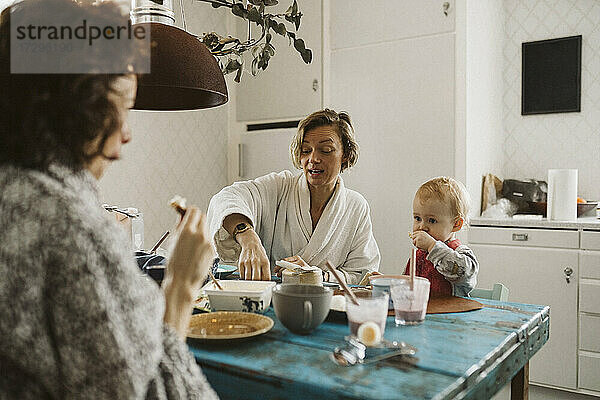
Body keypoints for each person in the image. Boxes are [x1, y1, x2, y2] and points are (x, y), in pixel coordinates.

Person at [0, 0, 218, 398]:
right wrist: (181, 286)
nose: (127, 136)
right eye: (123, 111)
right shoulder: (74, 229)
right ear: (82, 112)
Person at [207, 109, 380, 285]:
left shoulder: (356, 206)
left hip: (329, 305)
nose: (313, 158)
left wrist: (316, 275)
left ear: (345, 155)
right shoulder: (280, 187)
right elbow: (225, 198)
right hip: (272, 300)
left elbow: (363, 274)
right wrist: (247, 236)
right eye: (306, 150)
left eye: (326, 150)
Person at [405, 176, 479, 297]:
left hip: (451, 315)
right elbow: (407, 287)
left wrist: (432, 246)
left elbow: (463, 273)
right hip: (420, 313)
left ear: (456, 224)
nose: (422, 227)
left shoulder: (460, 253)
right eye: (417, 218)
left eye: (432, 220)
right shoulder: (418, 255)